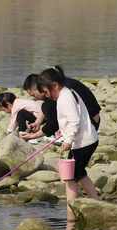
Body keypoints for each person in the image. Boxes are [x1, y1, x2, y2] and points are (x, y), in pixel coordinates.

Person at [40, 68, 99, 220]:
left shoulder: (65, 97)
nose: (46, 96)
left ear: (54, 85)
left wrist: (68, 140)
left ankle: (71, 214)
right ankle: (96, 202)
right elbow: (71, 120)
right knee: (78, 173)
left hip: (83, 142)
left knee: (70, 177)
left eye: (46, 92)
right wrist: (64, 133)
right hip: (85, 140)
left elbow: (74, 120)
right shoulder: (66, 93)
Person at [20, 74, 60, 142]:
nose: (35, 98)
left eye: (33, 95)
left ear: (38, 87)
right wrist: (38, 122)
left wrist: (32, 136)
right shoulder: (54, 89)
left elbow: (52, 125)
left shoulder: (52, 99)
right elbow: (45, 108)